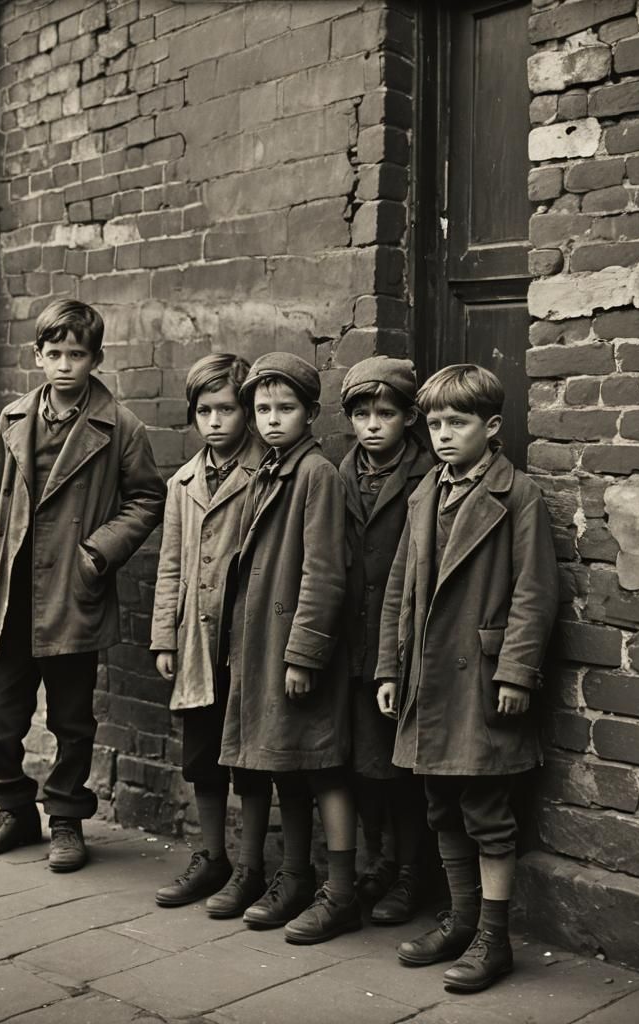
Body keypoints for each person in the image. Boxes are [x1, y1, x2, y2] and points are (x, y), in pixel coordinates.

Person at [0, 299, 166, 872]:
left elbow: (148, 497)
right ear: (38, 356)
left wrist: (98, 552)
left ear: (95, 358)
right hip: (15, 591)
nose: (65, 365)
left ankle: (68, 820)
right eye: (55, 354)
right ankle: (13, 810)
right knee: (3, 717)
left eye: (77, 354)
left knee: (72, 719)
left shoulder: (119, 426)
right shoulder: (13, 419)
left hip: (74, 593)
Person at [375, 364, 558, 992]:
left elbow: (534, 593)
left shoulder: (517, 495)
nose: (444, 435)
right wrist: (389, 669)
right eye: (435, 423)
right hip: (429, 677)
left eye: (459, 423)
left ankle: (494, 937)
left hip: (481, 677)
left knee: (486, 807)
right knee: (440, 802)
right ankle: (460, 917)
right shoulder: (426, 490)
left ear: (493, 427)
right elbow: (400, 589)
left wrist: (516, 673)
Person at [219, 352, 360, 945]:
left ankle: (342, 889)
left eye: (287, 408)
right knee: (285, 767)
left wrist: (303, 654)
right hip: (262, 648)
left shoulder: (316, 474)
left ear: (311, 413)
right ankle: (295, 877)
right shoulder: (268, 470)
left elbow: (325, 571)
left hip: (298, 650)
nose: (273, 419)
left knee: (323, 767)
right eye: (263, 409)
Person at [149, 353, 274, 917]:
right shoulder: (182, 482)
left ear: (245, 411)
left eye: (226, 409)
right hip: (197, 640)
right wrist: (164, 640)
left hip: (246, 638)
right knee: (202, 754)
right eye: (204, 411)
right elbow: (171, 565)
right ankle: (212, 855)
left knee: (247, 756)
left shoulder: (268, 472)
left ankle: (251, 867)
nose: (215, 422)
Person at [337, 357, 434, 925]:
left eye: (386, 413)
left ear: (409, 416)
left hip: (402, 641)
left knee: (402, 769)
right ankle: (376, 861)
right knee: (358, 763)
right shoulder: (338, 473)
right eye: (362, 414)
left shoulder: (427, 474)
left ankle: (410, 873)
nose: (373, 425)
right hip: (351, 640)